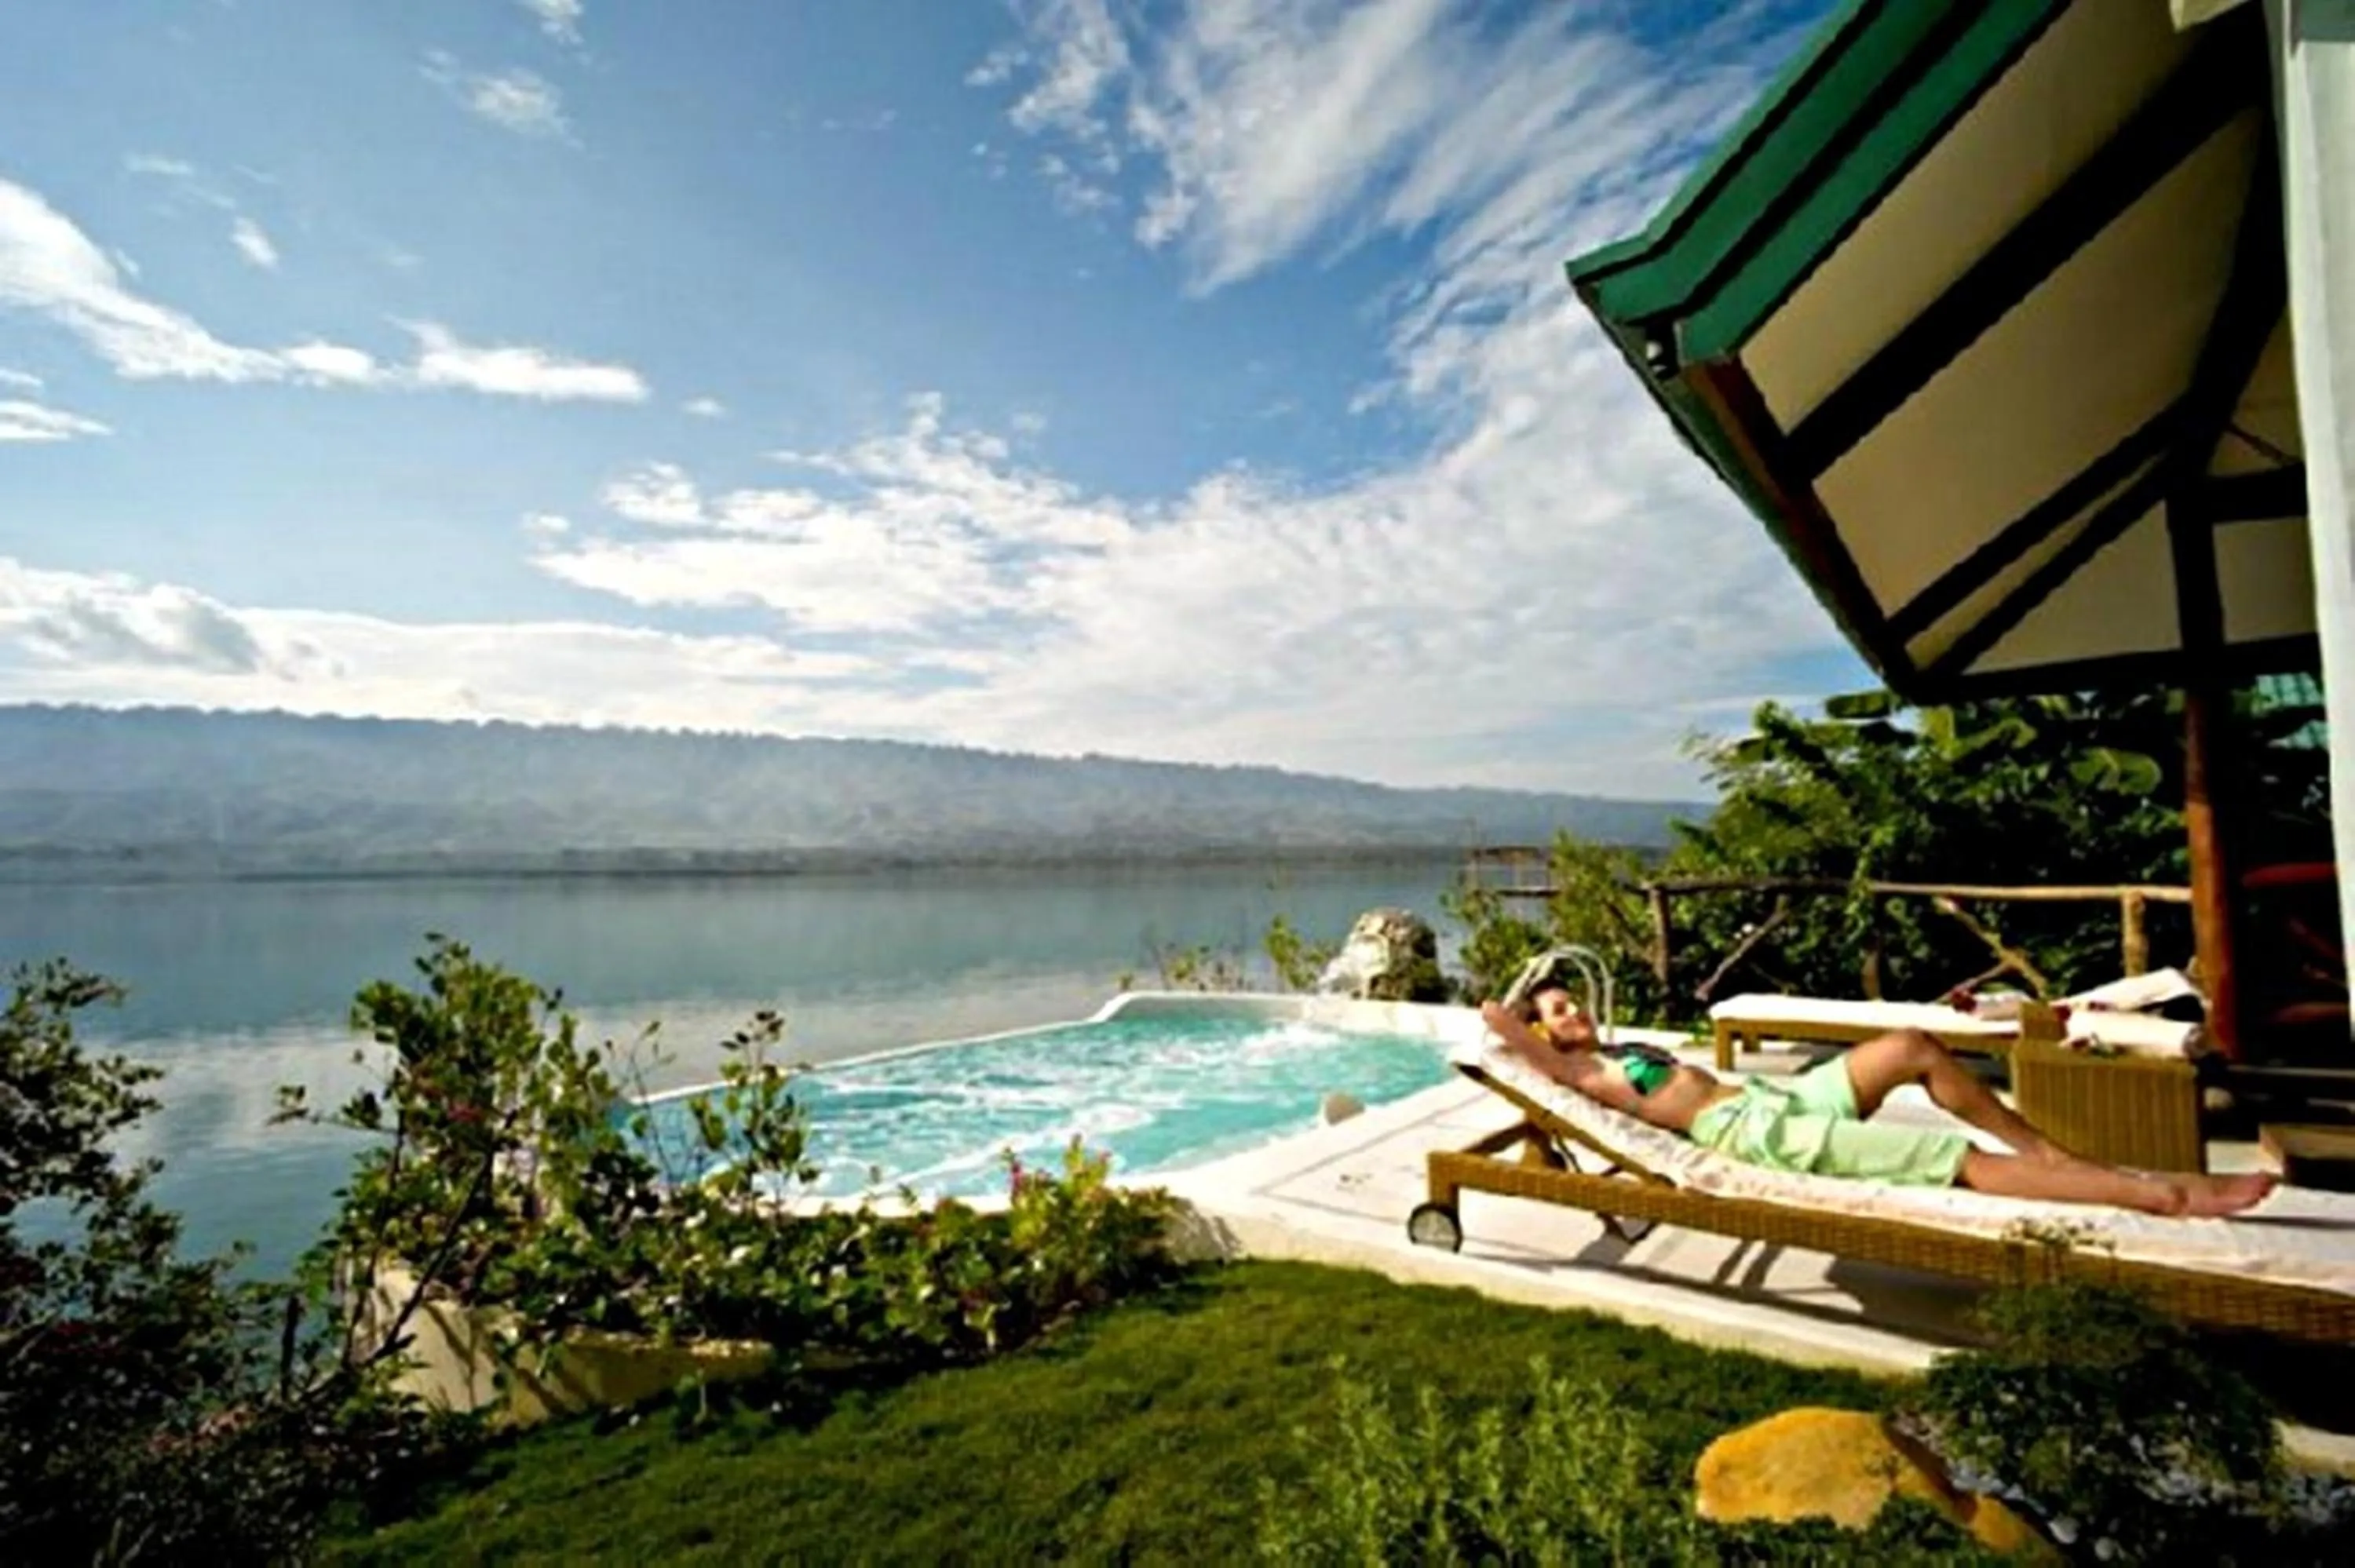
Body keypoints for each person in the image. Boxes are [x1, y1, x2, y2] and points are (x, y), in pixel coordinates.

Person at [1481, 983, 2276, 1219]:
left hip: (1776, 1097)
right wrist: (1519, 1017)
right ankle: (2165, 1195)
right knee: (1958, 1164)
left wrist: (1552, 1017)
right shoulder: (1578, 1076)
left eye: (1569, 1001)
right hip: (1756, 1134)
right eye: (1553, 1012)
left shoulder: (1613, 1052)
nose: (1570, 1012)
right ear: (1540, 1036)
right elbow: (1491, 1021)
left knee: (1912, 1047)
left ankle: (2046, 1152)